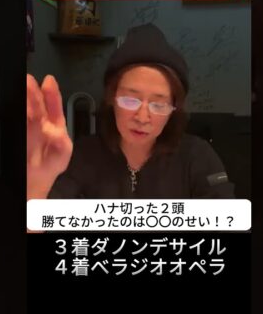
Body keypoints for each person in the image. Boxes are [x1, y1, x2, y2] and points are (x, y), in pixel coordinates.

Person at [27, 23, 234, 200]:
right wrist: (36, 188)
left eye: (159, 105)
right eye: (130, 100)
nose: (142, 118)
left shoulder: (197, 156)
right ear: (112, 98)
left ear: (173, 109)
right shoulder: (83, 155)